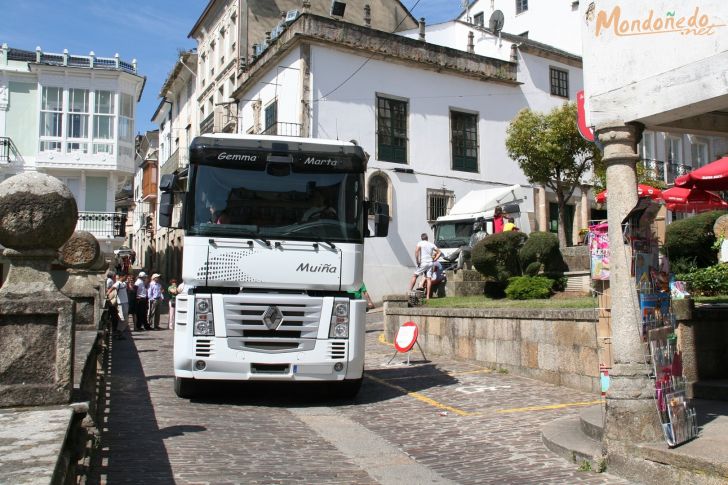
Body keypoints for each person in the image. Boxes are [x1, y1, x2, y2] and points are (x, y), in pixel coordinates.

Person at [408, 233, 441, 300]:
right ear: (427, 238)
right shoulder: (431, 244)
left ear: (421, 238)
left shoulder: (420, 243)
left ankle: (409, 291)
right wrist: (435, 259)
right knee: (428, 279)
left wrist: (417, 260)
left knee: (415, 275)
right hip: (430, 263)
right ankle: (428, 296)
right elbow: (439, 252)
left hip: (423, 262)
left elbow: (416, 251)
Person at [107, 274, 129, 340]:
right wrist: (108, 293)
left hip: (125, 302)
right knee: (122, 319)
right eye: (125, 276)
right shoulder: (118, 283)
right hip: (120, 303)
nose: (126, 277)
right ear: (121, 276)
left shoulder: (124, 283)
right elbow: (112, 288)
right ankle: (118, 333)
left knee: (125, 319)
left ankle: (119, 332)